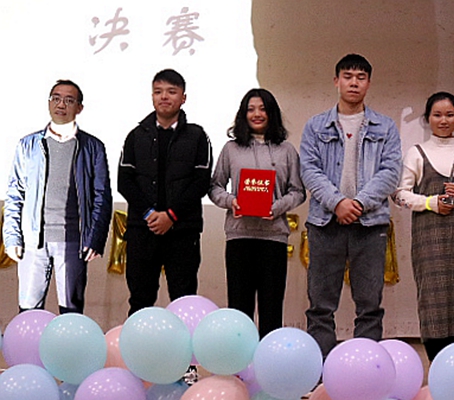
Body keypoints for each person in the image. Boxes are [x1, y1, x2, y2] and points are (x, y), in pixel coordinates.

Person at [300, 54, 402, 357]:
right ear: (336, 81)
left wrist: (357, 203)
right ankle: (320, 368)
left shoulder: (385, 126)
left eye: (360, 77)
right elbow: (309, 169)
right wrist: (337, 203)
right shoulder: (315, 125)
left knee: (370, 305)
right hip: (325, 223)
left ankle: (366, 368)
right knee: (320, 304)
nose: (354, 83)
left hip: (370, 225)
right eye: (347, 76)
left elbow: (391, 172)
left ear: (368, 83)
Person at [393, 92, 454, 361]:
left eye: (449, 115)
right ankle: (436, 360)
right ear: (427, 119)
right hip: (427, 237)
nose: (443, 120)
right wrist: (430, 203)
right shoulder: (417, 153)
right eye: (437, 115)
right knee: (431, 296)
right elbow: (399, 194)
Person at [3, 79, 112, 314]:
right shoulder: (28, 145)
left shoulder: (92, 147)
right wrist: (12, 237)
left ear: (79, 108)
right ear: (49, 103)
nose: (61, 104)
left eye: (69, 100)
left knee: (71, 313)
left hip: (73, 241)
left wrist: (95, 238)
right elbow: (15, 193)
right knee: (29, 311)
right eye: (56, 98)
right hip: (33, 241)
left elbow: (102, 196)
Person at [209, 88, 306, 338]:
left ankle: (268, 360)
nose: (257, 114)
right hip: (239, 236)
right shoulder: (231, 149)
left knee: (271, 308)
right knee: (239, 309)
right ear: (243, 114)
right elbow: (215, 186)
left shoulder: (286, 150)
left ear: (272, 113)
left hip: (274, 238)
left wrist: (277, 207)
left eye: (263, 109)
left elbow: (298, 191)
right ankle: (239, 360)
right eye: (251, 109)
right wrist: (231, 201)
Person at [118, 69, 212, 316]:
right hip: (143, 229)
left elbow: (201, 183)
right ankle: (137, 343)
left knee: (184, 299)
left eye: (171, 92)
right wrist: (150, 214)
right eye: (158, 92)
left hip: (182, 231)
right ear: (152, 96)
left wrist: (171, 215)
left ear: (183, 97)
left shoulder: (197, 136)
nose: (164, 97)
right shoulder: (136, 136)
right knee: (140, 299)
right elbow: (124, 182)